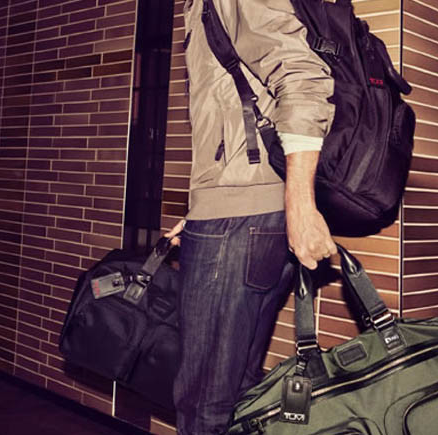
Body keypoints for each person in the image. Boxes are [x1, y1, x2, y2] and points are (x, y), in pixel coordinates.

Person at [164, 0, 336, 433]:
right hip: (236, 215)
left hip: (240, 220)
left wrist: (301, 203)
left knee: (204, 405)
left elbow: (301, 76)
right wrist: (202, 210)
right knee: (237, 395)